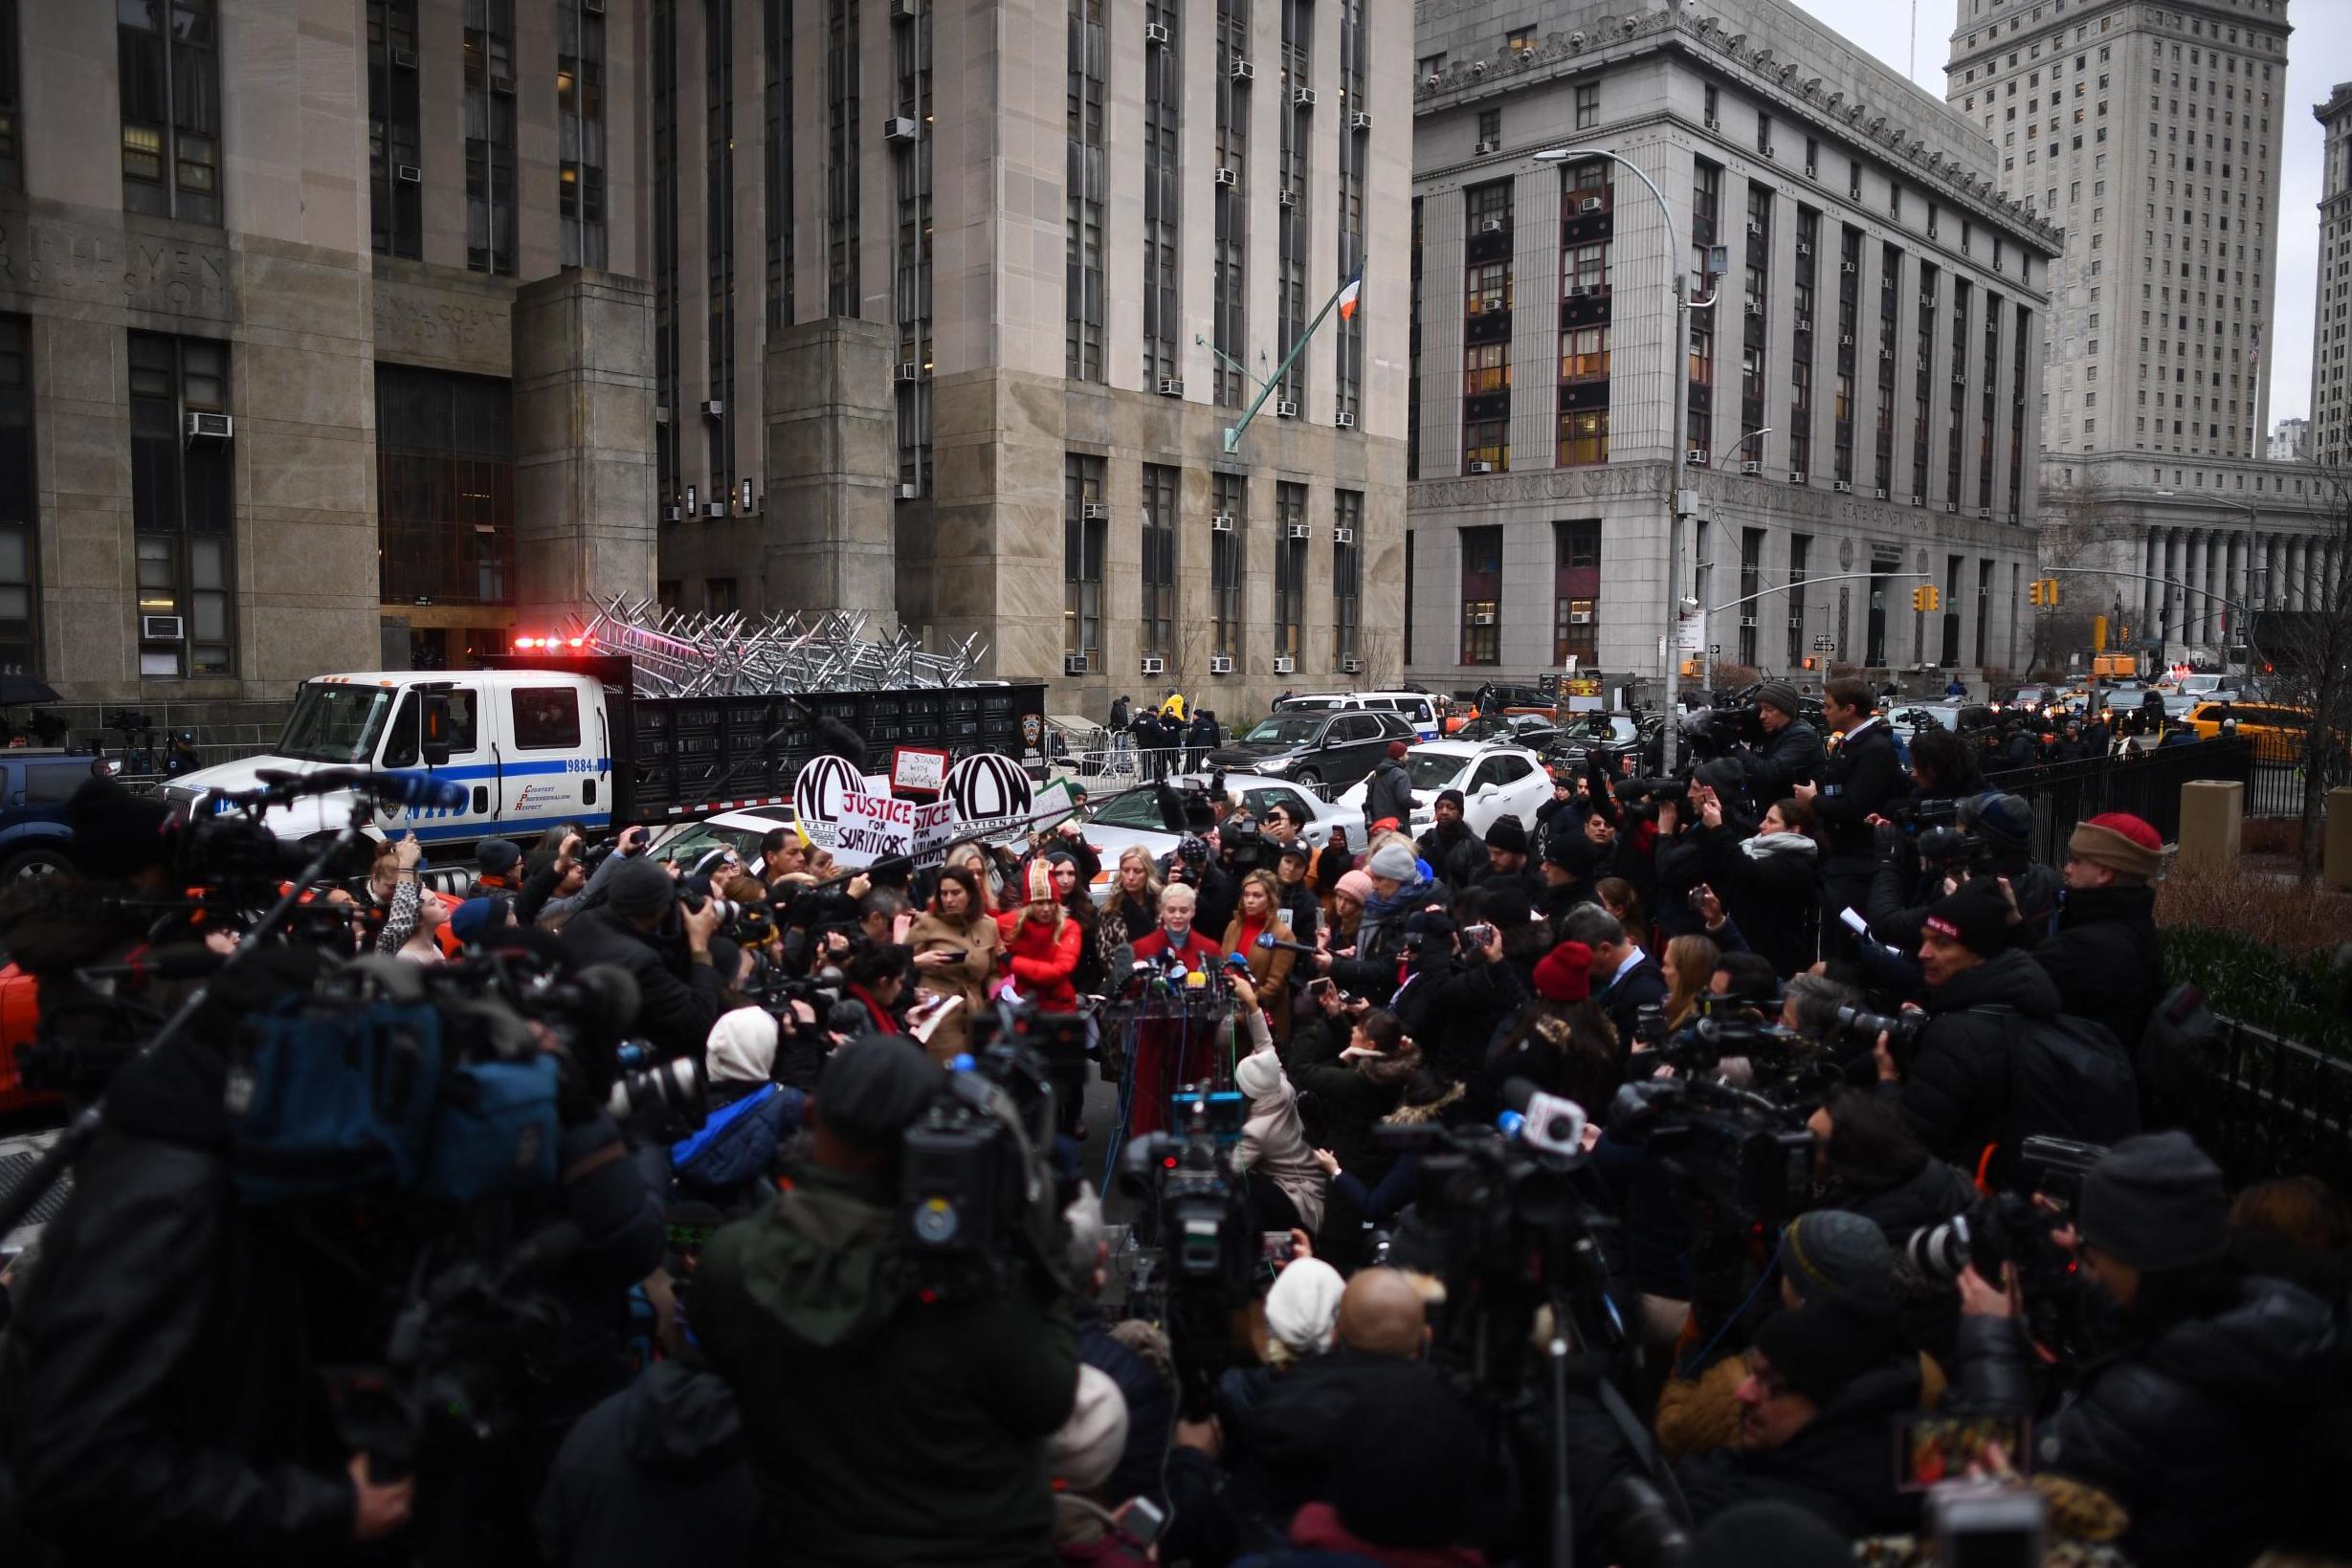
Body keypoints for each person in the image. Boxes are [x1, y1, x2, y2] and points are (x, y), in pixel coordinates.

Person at [694, 1035, 1078, 1568]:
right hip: (983, 1547)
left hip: (812, 1543)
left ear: (810, 1114)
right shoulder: (966, 1278)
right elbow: (1048, 1398)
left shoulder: (733, 1266)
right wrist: (1045, 1253)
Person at [1945, 1132, 2352, 1568]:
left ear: (2135, 1257)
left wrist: (1991, 1342)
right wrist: (2072, 1285)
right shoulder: (2286, 1322)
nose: (2092, 1261)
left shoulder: (2139, 1405)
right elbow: (2168, 1328)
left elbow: (1994, 1489)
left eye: (2095, 1249)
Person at [1875, 878, 2065, 1185]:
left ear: (1980, 953)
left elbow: (1905, 1145)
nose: (1923, 953)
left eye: (1942, 943)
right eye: (1924, 940)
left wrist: (1886, 1081)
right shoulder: (2026, 1003)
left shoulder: (1955, 1034)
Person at [562, 853, 729, 1062]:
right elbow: (696, 1020)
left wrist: (654, 882)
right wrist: (700, 946)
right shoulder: (639, 961)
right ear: (659, 909)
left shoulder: (582, 923)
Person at [1795, 677, 1910, 950]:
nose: (1824, 712)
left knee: (1846, 939)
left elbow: (1855, 807)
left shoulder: (1874, 749)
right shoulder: (1849, 744)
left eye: (1828, 706)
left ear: (1849, 709)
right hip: (1842, 854)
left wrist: (1814, 801)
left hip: (1859, 859)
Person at [2032, 813, 2164, 1048]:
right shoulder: (2139, 928)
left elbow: (2021, 983)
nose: (2067, 869)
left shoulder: (2084, 947)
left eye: (2077, 861)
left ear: (2105, 873)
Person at [906, 865, 1003, 1060]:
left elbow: (993, 971)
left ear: (970, 894)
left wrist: (998, 992)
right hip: (938, 1014)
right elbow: (900, 965)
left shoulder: (988, 925)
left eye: (955, 893)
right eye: (944, 894)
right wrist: (917, 964)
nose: (949, 900)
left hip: (976, 1016)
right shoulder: (926, 923)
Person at [1563, 904, 1668, 1053]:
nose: (1583, 970)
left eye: (1585, 961)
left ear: (1605, 950)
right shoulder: (1618, 975)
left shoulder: (1646, 996)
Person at [1224, 870, 1299, 1041]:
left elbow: (1274, 986)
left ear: (1270, 899)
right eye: (1247, 895)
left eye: (1257, 896)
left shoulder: (1283, 935)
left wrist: (1247, 1007)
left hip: (1264, 1017)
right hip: (1231, 1012)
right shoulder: (1233, 926)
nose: (1250, 900)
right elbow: (1225, 965)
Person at [1004, 862, 1085, 1010]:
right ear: (1029, 904)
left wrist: (1011, 961)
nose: (1046, 909)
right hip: (1022, 1007)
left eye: (1051, 902)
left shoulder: (1068, 927)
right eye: (1040, 903)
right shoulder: (1008, 925)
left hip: (1058, 1007)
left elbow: (1058, 971)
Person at [1746, 681, 1826, 804]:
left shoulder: (1802, 736)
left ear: (1786, 710)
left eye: (1768, 709)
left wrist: (1733, 746)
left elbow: (1770, 772)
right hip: (1772, 814)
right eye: (1761, 709)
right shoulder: (1769, 733)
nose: (1762, 716)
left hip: (1795, 817)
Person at [1415, 790, 1481, 890]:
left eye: (1451, 808)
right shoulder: (1425, 840)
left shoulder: (1473, 845)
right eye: (1439, 807)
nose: (1444, 812)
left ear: (1460, 813)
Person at [1361, 741, 1416, 836]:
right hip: (1397, 828)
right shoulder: (1401, 775)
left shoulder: (1375, 774)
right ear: (1400, 757)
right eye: (1406, 754)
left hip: (1379, 828)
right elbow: (1404, 799)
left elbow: (1368, 802)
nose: (1408, 757)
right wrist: (1418, 804)